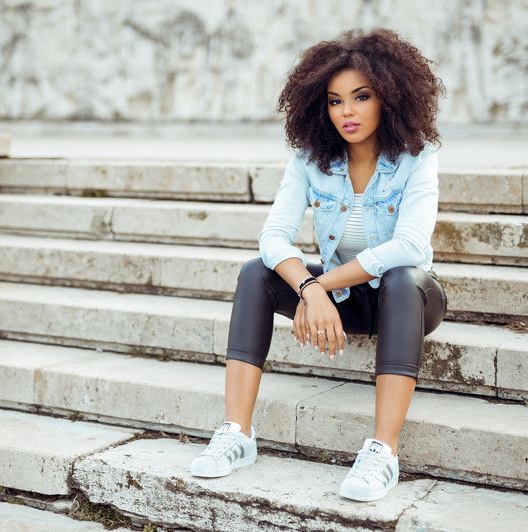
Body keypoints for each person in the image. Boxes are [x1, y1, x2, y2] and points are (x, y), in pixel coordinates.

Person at [190, 28, 448, 503]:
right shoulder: (311, 160)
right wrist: (310, 289)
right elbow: (272, 237)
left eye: (361, 97)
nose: (346, 112)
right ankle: (237, 433)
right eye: (334, 101)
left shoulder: (417, 157)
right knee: (256, 272)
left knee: (400, 276)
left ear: (389, 98)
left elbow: (410, 245)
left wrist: (318, 284)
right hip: (341, 300)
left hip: (409, 300)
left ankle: (383, 451)